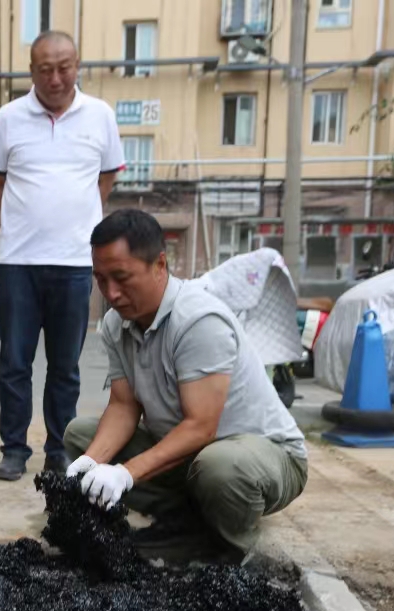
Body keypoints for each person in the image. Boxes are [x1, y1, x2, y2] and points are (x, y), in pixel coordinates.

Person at [64, 209, 308, 559]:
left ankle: (225, 547)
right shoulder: (117, 324)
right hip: (190, 457)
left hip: (263, 458)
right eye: (100, 279)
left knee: (221, 467)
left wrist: (125, 474)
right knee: (79, 435)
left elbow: (201, 426)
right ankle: (183, 519)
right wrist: (92, 460)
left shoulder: (196, 321)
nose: (111, 293)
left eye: (121, 277)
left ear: (159, 265)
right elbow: (123, 405)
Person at [0, 31, 125, 481]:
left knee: (65, 366)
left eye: (64, 67)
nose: (56, 77)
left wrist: (78, 225)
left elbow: (106, 178)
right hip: (18, 263)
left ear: (77, 65)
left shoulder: (100, 116)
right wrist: (18, 230)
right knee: (15, 363)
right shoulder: (8, 118)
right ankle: (14, 450)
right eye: (46, 69)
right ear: (32, 71)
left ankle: (59, 449)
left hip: (75, 264)